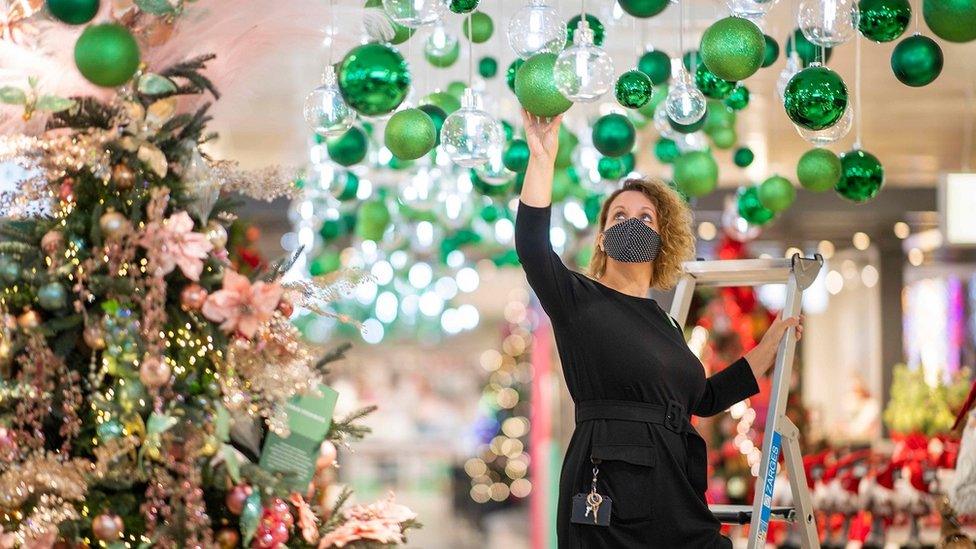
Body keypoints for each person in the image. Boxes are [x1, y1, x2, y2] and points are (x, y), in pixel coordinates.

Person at [513, 109, 803, 549]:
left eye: (646, 217)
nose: (633, 223)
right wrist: (542, 158)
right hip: (611, 482)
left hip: (674, 483)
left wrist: (768, 347)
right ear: (602, 237)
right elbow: (533, 247)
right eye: (619, 216)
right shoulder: (578, 299)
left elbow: (703, 399)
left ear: (662, 240)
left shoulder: (665, 323)